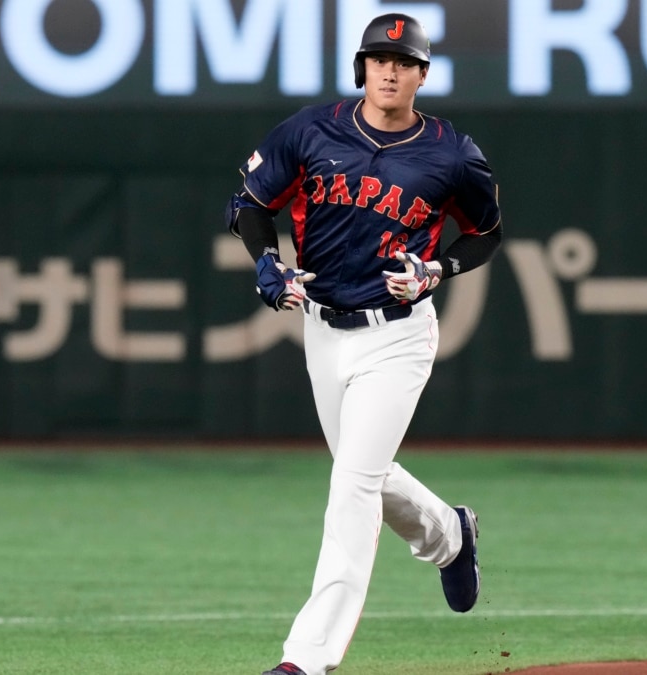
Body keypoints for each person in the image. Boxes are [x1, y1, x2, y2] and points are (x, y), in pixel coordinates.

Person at [224, 12, 504, 675]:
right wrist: (267, 262)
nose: (389, 69)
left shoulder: (450, 152)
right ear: (363, 67)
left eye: (403, 61)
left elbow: (487, 231)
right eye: (379, 57)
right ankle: (449, 533)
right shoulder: (311, 130)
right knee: (366, 475)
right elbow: (248, 205)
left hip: (399, 334)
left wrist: (440, 269)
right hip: (322, 328)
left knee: (350, 484)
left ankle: (308, 657)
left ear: (422, 75)